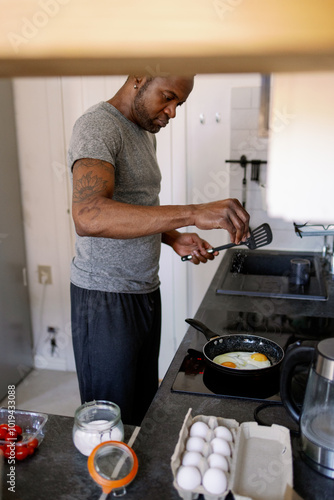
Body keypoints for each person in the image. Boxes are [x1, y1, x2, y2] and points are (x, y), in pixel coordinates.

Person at [68, 75, 250, 425]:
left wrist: (173, 236)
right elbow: (89, 215)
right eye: (168, 98)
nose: (173, 112)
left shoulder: (143, 132)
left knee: (140, 410)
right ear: (139, 77)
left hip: (143, 291)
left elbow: (137, 205)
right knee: (109, 423)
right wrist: (194, 213)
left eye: (178, 104)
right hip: (105, 299)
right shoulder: (97, 126)